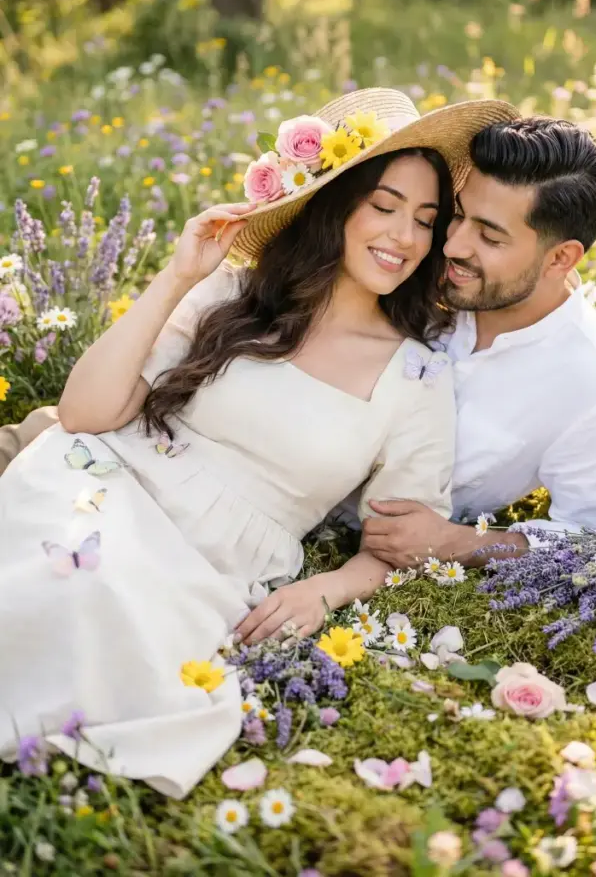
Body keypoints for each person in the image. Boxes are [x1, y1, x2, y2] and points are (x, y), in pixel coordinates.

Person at [0, 87, 519, 797]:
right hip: (105, 481)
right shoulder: (232, 297)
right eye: (385, 206)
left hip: (215, 559)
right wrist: (181, 274)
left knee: (89, 604)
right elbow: (86, 414)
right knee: (47, 571)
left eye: (426, 221)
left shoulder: (415, 374)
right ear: (334, 203)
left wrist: (327, 590)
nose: (404, 237)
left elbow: (398, 541)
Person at [361, 116, 596, 568]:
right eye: (458, 214)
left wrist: (457, 543)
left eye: (490, 236)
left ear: (560, 258)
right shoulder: (411, 255)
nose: (453, 245)